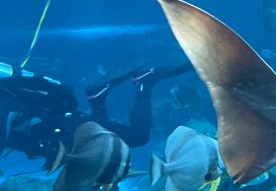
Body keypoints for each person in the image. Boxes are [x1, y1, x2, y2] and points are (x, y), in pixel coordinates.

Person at [0, 62, 192, 167]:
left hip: (59, 126)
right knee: (102, 148)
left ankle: (145, 82)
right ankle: (97, 98)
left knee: (137, 136)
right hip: (51, 132)